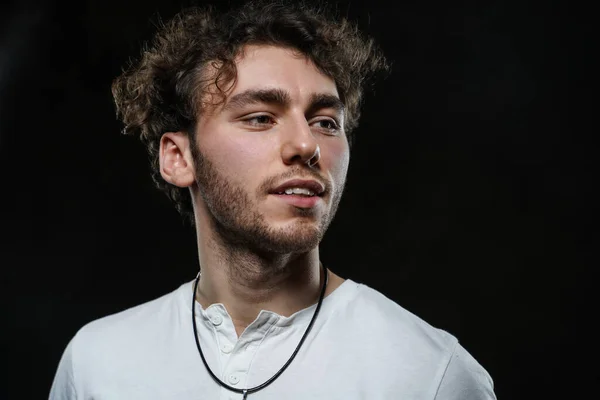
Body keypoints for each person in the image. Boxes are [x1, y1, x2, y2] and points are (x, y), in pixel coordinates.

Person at [50, 0, 496, 398]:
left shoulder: (432, 374)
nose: (306, 144)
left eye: (325, 122)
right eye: (261, 117)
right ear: (178, 157)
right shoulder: (97, 363)